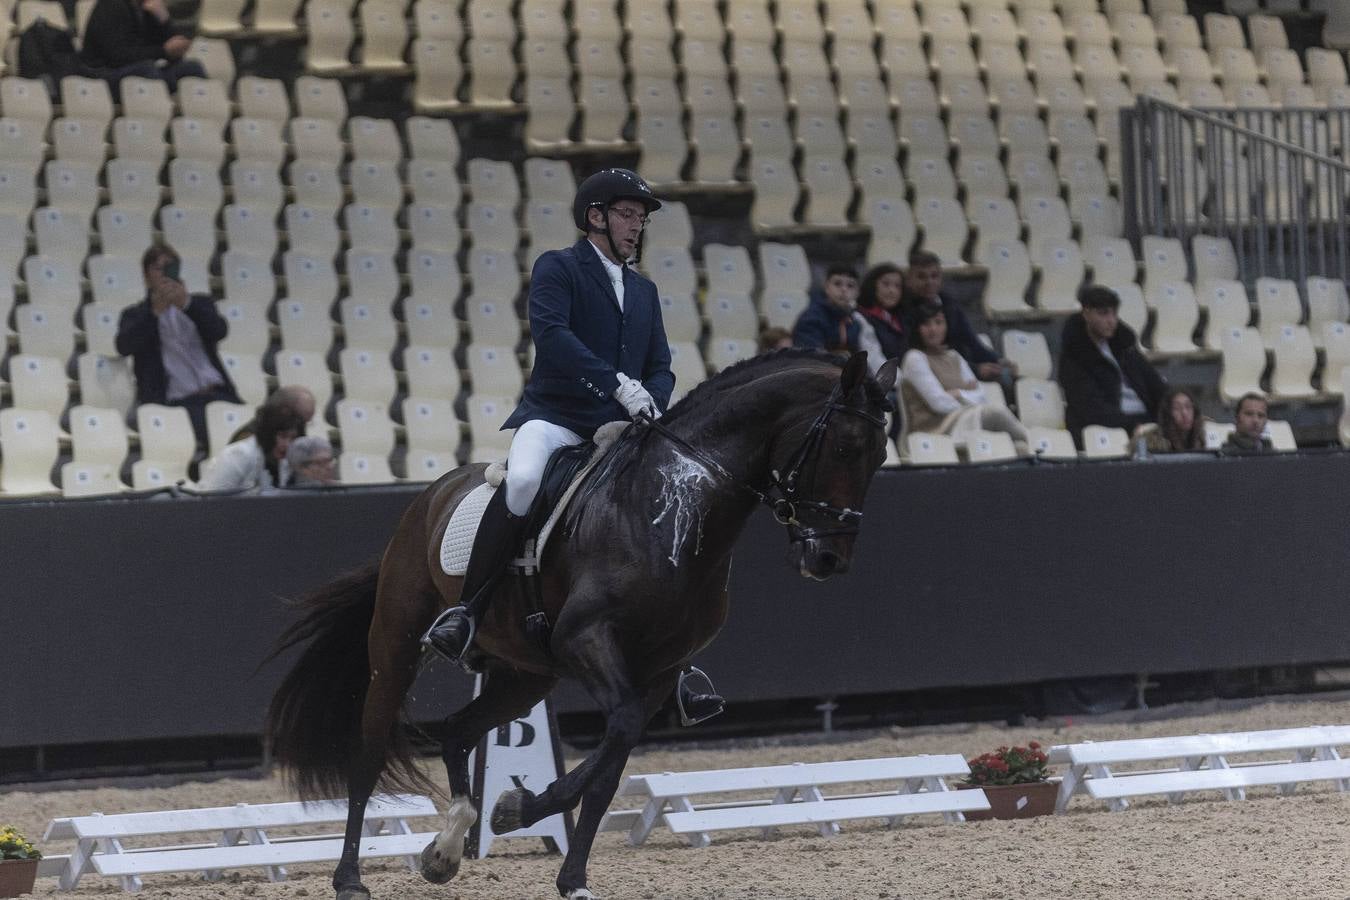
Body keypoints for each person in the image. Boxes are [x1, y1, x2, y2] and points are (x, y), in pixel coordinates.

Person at [422, 167, 724, 720]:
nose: (636, 226)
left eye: (640, 218)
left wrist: (651, 398)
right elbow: (554, 337)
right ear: (595, 216)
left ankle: (678, 660)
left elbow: (660, 363)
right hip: (557, 418)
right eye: (627, 214)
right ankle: (467, 612)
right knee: (522, 481)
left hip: (620, 427)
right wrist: (616, 384)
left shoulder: (644, 290)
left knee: (671, 499)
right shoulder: (558, 267)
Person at [115, 244, 239, 447]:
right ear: (146, 277)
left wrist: (187, 304)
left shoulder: (200, 303)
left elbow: (219, 331)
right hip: (177, 403)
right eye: (158, 268)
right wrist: (154, 313)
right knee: (223, 436)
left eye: (169, 267)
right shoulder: (135, 315)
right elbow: (123, 346)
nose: (164, 274)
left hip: (219, 394)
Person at [900, 301, 1030, 453]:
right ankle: (1038, 446)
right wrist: (967, 394)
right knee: (995, 413)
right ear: (916, 328)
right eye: (926, 324)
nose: (933, 329)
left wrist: (958, 393)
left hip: (962, 418)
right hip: (936, 430)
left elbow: (981, 396)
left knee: (1020, 448)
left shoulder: (954, 356)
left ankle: (1035, 449)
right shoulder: (915, 358)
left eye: (938, 322)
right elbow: (939, 404)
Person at [1058, 285, 1167, 447]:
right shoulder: (1074, 357)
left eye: (1114, 314)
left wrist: (1176, 409)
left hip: (1144, 421)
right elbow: (1092, 409)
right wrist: (1133, 426)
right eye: (1103, 314)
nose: (1111, 321)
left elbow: (1155, 384)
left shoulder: (1124, 346)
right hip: (1108, 429)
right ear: (1086, 314)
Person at [900, 250, 1013, 381]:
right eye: (921, 277)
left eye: (934, 276)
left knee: (1007, 375)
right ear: (909, 279)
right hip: (931, 377)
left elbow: (972, 342)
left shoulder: (949, 304)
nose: (929, 282)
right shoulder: (903, 310)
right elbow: (923, 355)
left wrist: (999, 361)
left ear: (941, 278)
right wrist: (975, 370)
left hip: (963, 369)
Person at [79, 0, 205, 92]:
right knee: (147, 69)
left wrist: (164, 19)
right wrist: (163, 51)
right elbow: (118, 56)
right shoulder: (111, 6)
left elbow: (172, 49)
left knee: (191, 67)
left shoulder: (148, 8)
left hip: (140, 70)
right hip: (103, 74)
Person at [198, 394, 305, 493]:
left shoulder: (286, 460)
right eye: (283, 436)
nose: (287, 444)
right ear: (268, 433)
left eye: (293, 438)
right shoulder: (239, 455)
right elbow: (210, 499)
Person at [856, 262, 907, 363]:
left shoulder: (902, 318)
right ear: (872, 285)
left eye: (897, 286)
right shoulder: (861, 317)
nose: (892, 290)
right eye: (886, 284)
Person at [229, 385, 317, 443]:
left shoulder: (294, 431)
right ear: (285, 412)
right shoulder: (249, 439)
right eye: (301, 420)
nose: (302, 426)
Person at [1144, 387, 1206, 453]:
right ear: (1168, 413)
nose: (1184, 413)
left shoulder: (1204, 435)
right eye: (1177, 408)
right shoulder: (1155, 441)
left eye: (1188, 406)